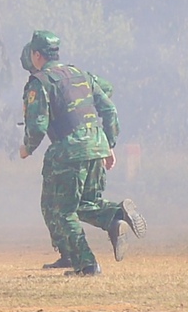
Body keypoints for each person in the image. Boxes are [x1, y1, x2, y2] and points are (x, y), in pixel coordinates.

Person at [17, 30, 141, 276]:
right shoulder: (80, 74)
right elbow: (109, 105)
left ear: (36, 55)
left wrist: (26, 148)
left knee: (60, 211)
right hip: (96, 144)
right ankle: (115, 216)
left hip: (69, 151)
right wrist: (108, 144)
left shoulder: (40, 82)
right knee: (84, 204)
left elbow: (38, 126)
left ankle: (87, 264)